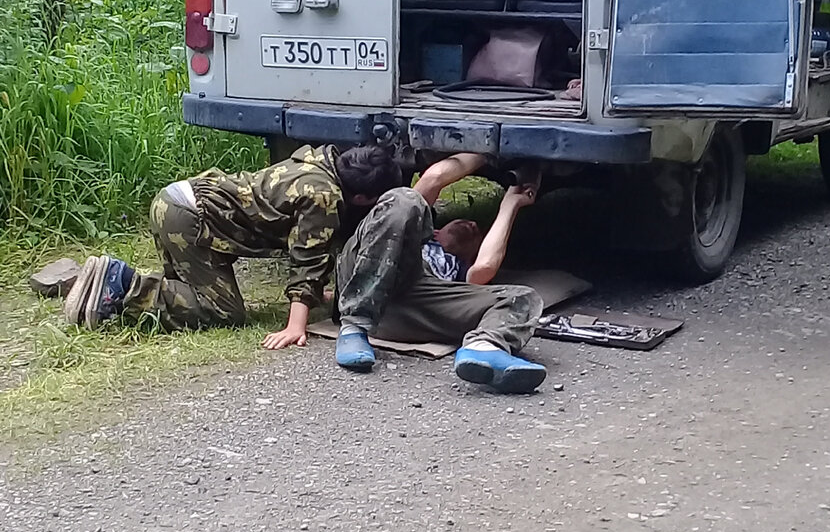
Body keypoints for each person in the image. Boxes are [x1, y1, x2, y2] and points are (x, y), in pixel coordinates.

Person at [64, 144, 402, 344]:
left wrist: (323, 295)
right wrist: (295, 326)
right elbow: (308, 259)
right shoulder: (324, 196)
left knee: (186, 289)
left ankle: (96, 284)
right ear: (361, 197)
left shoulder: (316, 160)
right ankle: (121, 285)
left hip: (178, 198)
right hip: (192, 218)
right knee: (222, 311)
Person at [331, 152, 548, 394]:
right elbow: (435, 176)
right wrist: (488, 152)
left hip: (411, 307)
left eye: (476, 236)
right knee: (404, 197)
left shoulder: (458, 269)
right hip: (362, 279)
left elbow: (484, 268)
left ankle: (484, 348)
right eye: (464, 221)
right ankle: (354, 326)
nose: (472, 226)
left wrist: (511, 204)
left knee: (524, 298)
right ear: (434, 231)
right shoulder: (407, 219)